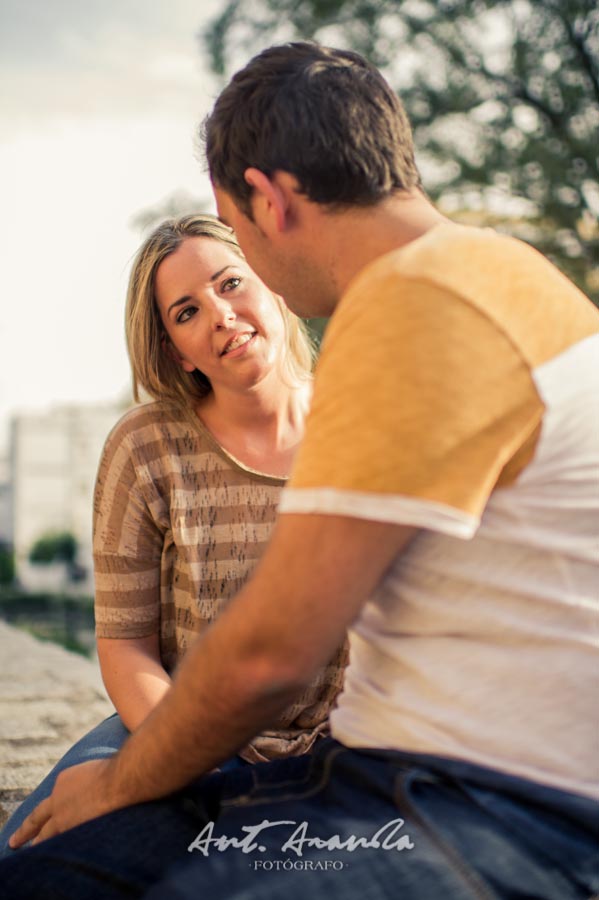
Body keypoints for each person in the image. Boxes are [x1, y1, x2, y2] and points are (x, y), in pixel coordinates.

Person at [1, 41, 598, 900]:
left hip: (492, 806)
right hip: (400, 774)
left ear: (269, 202)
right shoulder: (498, 275)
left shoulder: (414, 306)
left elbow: (270, 655)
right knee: (46, 867)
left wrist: (123, 779)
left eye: (234, 232)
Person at [0, 212, 346, 859]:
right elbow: (127, 647)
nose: (219, 315)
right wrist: (186, 759)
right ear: (172, 348)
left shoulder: (364, 421)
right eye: (186, 312)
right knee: (29, 857)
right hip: (170, 729)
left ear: (271, 283)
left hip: (348, 747)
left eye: (231, 283)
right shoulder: (144, 446)